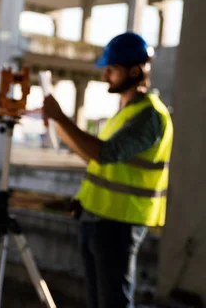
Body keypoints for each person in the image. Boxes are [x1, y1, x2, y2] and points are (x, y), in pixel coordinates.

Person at [42, 31, 173, 308]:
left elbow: (103, 154)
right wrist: (57, 124)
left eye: (111, 70)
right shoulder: (125, 113)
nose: (105, 76)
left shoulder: (150, 116)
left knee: (113, 302)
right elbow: (91, 155)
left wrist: (60, 118)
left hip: (119, 224)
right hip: (98, 218)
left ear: (135, 71)